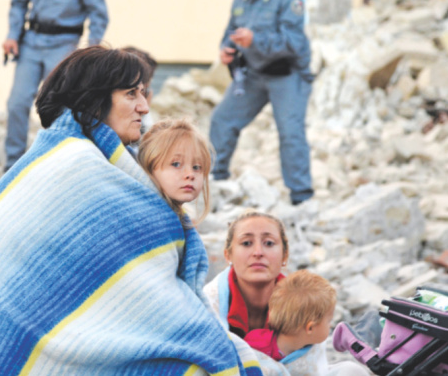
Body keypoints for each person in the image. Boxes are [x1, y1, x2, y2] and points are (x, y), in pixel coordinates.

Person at [0, 47, 263, 375]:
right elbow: (134, 279)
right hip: (40, 341)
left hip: (33, 332)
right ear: (95, 98)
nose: (144, 106)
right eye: (131, 94)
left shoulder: (65, 151)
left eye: (143, 93)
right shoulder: (78, 165)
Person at [2, 0, 109, 171]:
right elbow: (18, 2)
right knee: (16, 103)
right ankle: (12, 166)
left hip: (64, 44)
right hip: (31, 42)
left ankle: (56, 164)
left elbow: (99, 13)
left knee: (59, 107)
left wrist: (89, 50)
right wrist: (12, 35)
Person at [210, 0, 313, 205]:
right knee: (222, 120)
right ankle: (214, 180)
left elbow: (294, 43)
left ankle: (302, 197)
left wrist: (255, 40)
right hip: (254, 75)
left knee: (290, 132)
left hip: (287, 75)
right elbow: (230, 34)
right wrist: (227, 50)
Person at [203, 212, 369, 376]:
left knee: (351, 371)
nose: (258, 252)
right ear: (228, 255)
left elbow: (311, 366)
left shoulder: (304, 299)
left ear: (285, 255)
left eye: (269, 243)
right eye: (246, 243)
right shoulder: (208, 303)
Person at [245, 270, 336, 374]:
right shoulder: (256, 346)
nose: (331, 325)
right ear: (310, 328)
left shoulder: (312, 346)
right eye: (329, 321)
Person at [137, 118, 212, 224]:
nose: (190, 175)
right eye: (176, 164)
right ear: (148, 167)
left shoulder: (181, 220)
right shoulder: (146, 221)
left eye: (196, 167)